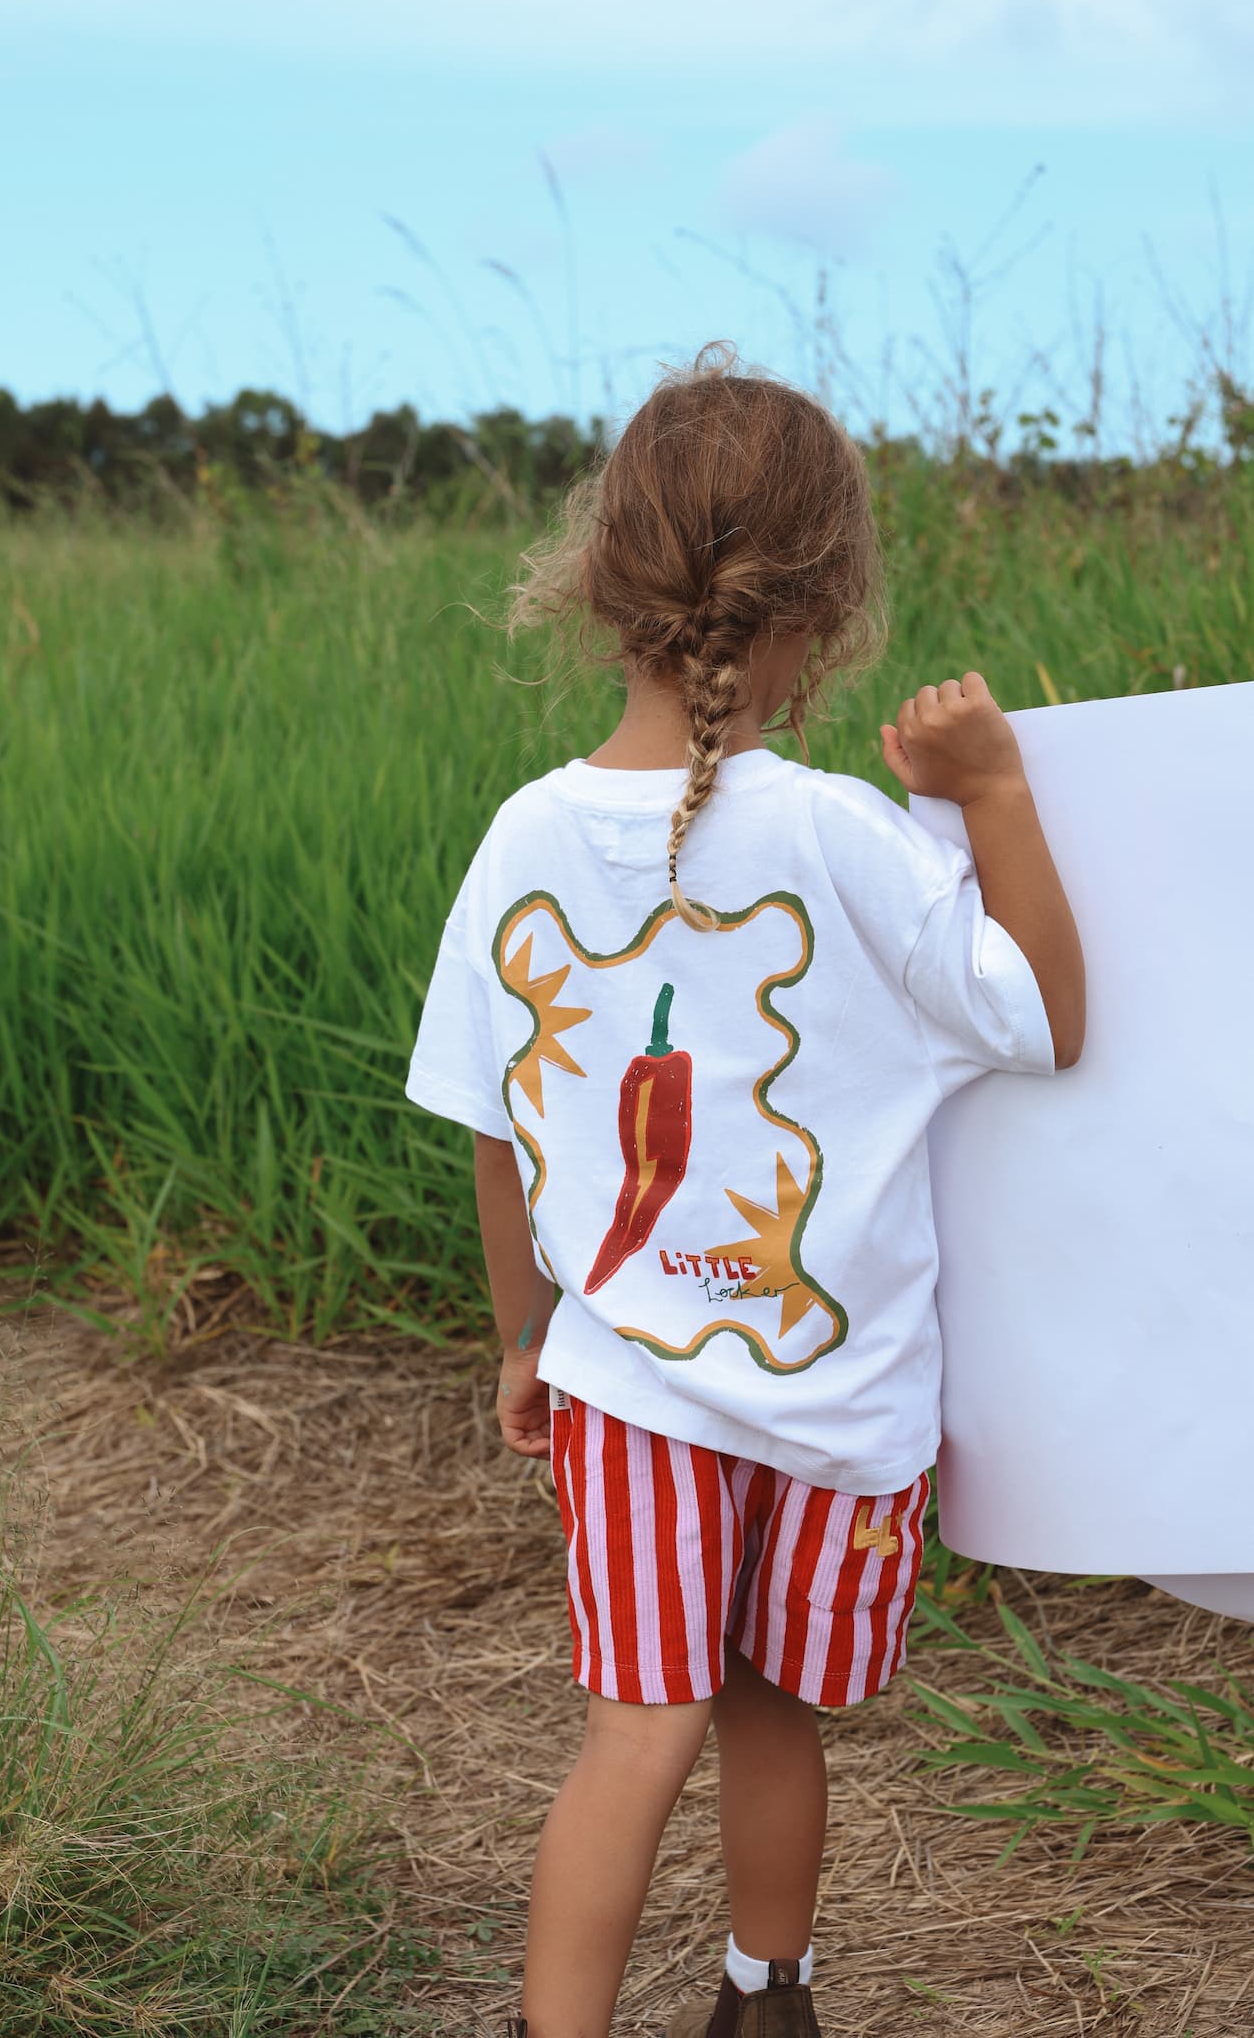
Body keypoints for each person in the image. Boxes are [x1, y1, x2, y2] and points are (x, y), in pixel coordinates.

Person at [404, 341, 1085, 2038]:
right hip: (839, 1399)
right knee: (776, 1706)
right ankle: (761, 2001)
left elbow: (497, 1132)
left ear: (601, 584)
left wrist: (521, 1344)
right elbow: (1048, 1024)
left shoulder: (521, 837)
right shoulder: (849, 837)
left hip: (628, 1388)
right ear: (822, 608)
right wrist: (991, 793)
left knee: (636, 1728)